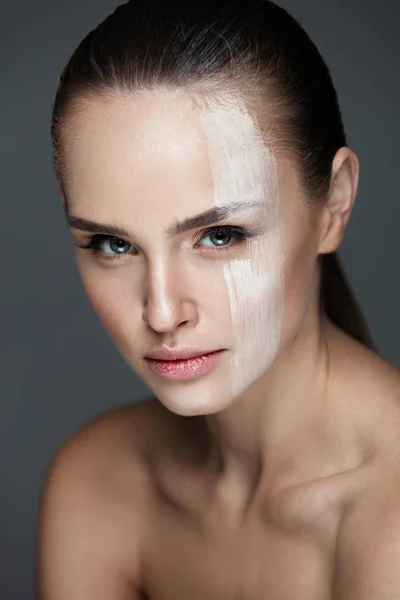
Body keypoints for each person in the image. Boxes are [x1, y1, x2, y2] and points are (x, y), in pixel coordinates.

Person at [36, 0, 400, 598]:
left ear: (333, 203)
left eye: (220, 235)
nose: (161, 312)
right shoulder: (99, 484)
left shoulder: (387, 512)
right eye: (113, 244)